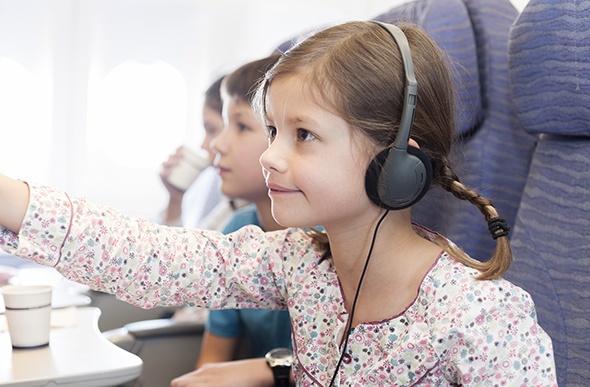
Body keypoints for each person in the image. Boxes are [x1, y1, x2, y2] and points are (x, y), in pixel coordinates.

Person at [0, 21, 557, 386]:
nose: (269, 157)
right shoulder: (298, 262)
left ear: (396, 160)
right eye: (270, 132)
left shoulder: (485, 318)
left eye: (303, 135)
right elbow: (157, 257)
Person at [194, 54, 292, 368]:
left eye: (241, 126)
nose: (217, 145)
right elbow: (211, 364)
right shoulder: (237, 230)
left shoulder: (329, 241)